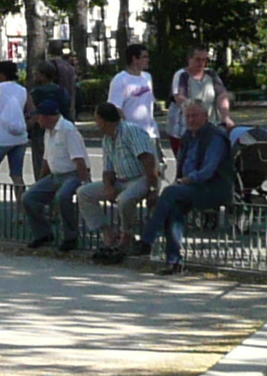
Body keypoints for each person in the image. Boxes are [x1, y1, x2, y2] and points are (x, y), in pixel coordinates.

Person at [142, 98, 236, 263]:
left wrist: (184, 181)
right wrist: (180, 181)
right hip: (192, 188)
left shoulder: (215, 137)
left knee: (170, 193)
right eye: (188, 116)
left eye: (195, 116)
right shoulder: (187, 136)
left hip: (214, 189)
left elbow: (207, 171)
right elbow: (181, 164)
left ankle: (147, 240)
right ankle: (174, 261)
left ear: (205, 116)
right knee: (173, 208)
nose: (191, 120)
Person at [22, 88, 92, 251]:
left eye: (38, 117)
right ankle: (43, 234)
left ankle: (70, 237)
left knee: (63, 197)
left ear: (46, 117)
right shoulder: (49, 131)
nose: (37, 120)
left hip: (72, 175)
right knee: (29, 198)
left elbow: (79, 159)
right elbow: (47, 159)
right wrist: (39, 182)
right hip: (55, 175)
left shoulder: (67, 130)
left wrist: (84, 182)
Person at [89, 99, 161, 256]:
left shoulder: (131, 131)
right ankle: (107, 232)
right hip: (120, 180)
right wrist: (108, 186)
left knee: (124, 199)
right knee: (84, 193)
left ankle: (126, 234)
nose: (96, 123)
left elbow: (149, 161)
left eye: (97, 119)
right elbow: (107, 169)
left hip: (141, 178)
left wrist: (153, 188)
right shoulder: (107, 139)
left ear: (103, 120)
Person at [0, 60, 30, 202]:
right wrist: (24, 125)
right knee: (17, 176)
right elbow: (33, 112)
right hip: (20, 138)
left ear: (2, 74)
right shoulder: (22, 90)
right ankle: (21, 211)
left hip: (0, 139)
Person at [107, 41, 157, 136]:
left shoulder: (147, 77)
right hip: (131, 134)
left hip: (150, 132)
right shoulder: (120, 79)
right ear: (134, 59)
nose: (148, 60)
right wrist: (127, 129)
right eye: (144, 57)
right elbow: (115, 108)